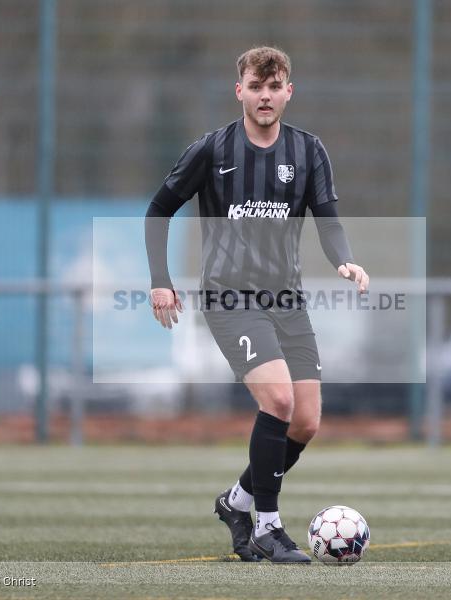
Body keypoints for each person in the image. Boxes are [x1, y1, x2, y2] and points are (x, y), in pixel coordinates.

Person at [145, 46, 369, 563]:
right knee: (280, 402)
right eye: (255, 86)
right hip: (231, 298)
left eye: (274, 87)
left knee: (306, 421)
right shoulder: (211, 150)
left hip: (286, 299)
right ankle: (268, 526)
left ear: (288, 91)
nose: (264, 96)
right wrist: (161, 280)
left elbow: (327, 218)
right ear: (239, 90)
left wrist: (345, 260)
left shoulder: (309, 151)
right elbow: (158, 211)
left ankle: (237, 502)